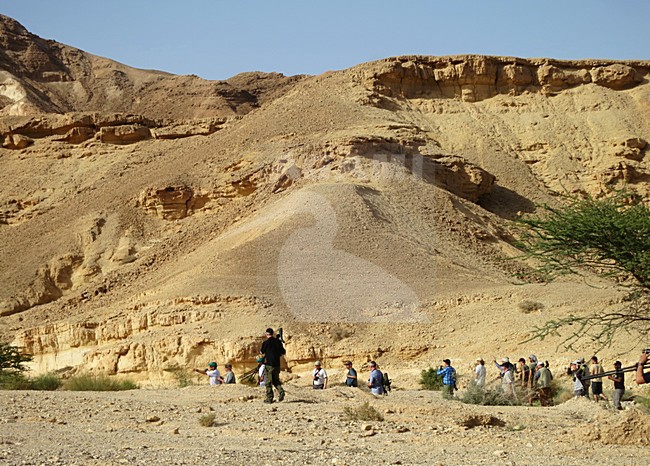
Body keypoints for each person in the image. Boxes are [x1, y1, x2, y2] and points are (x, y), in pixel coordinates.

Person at [260, 327, 286, 403]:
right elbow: (283, 352)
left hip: (269, 365)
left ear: (267, 334)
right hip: (277, 365)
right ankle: (281, 391)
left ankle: (269, 398)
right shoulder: (278, 342)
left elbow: (262, 352)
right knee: (276, 381)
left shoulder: (266, 343)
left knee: (268, 382)